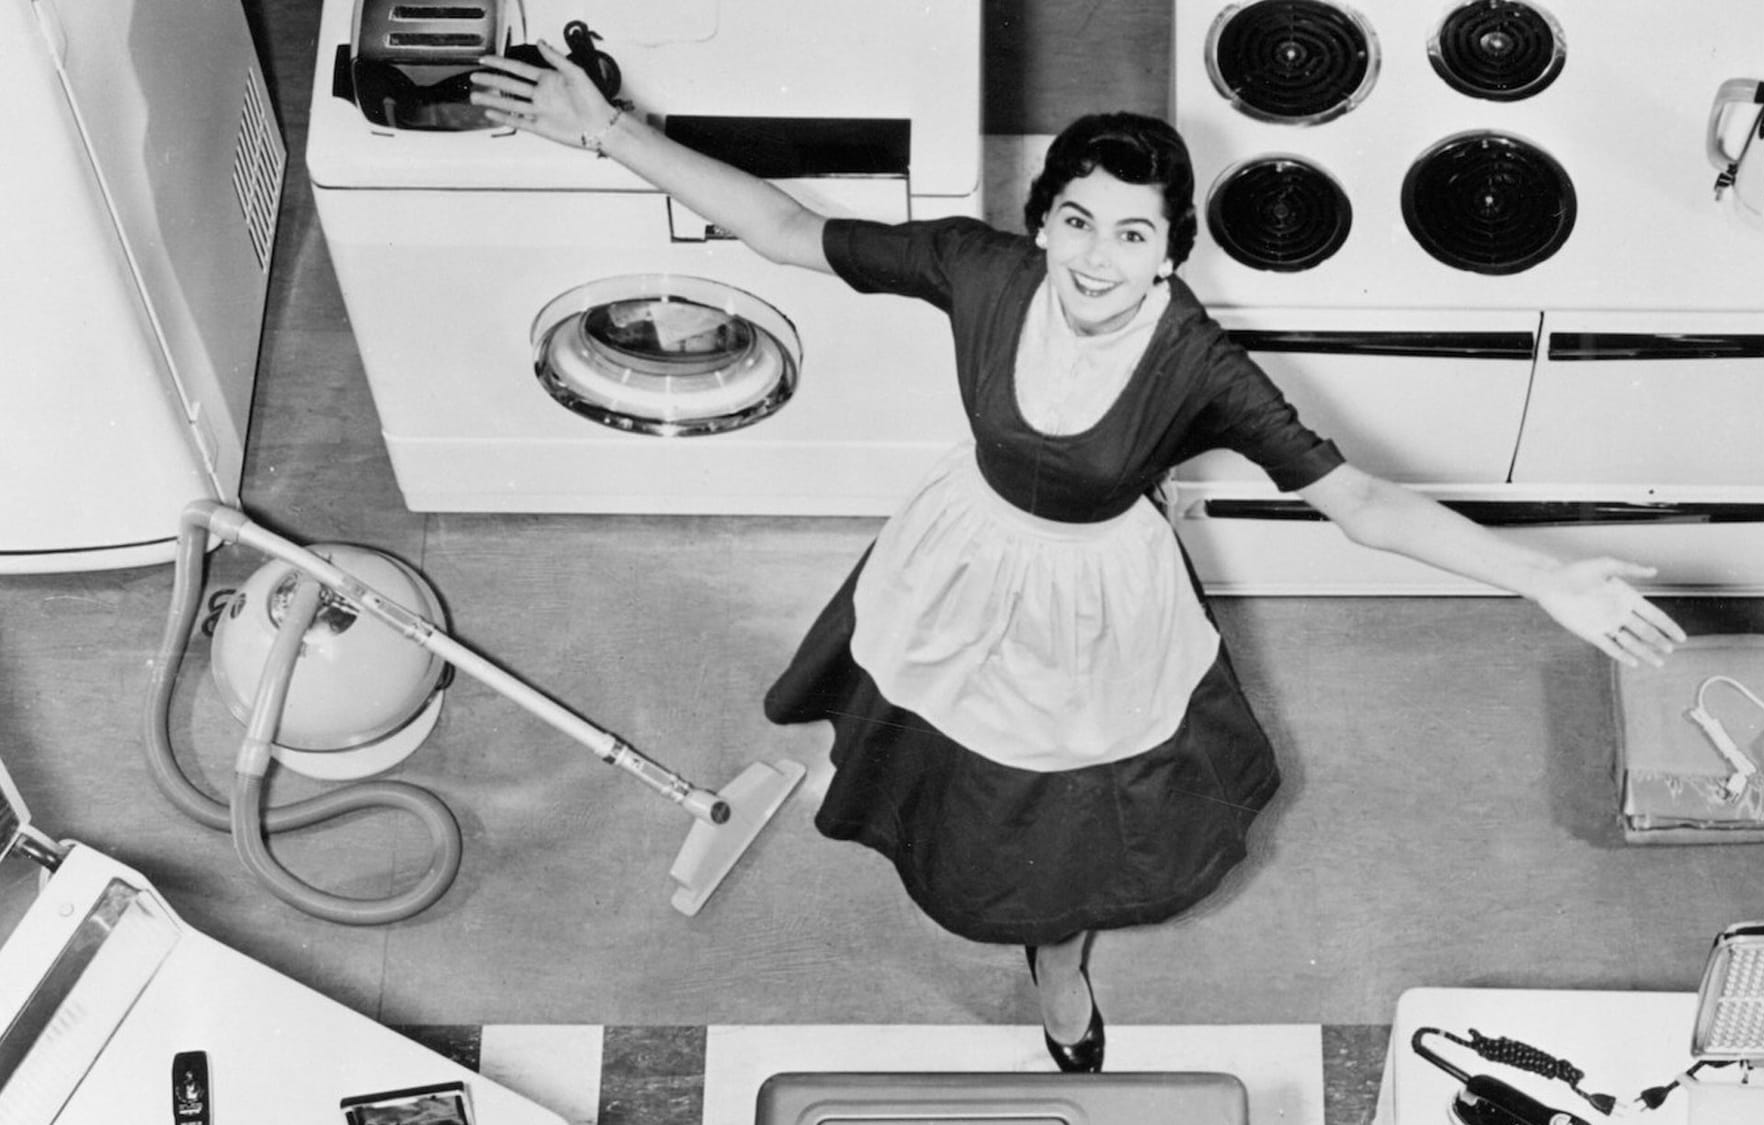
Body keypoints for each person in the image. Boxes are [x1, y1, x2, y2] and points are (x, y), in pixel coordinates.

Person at [472, 46, 1685, 1073]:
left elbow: (1357, 499)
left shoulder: (1196, 362)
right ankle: (1014, 907)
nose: (1096, 260)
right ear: (1040, 220)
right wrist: (607, 132)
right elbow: (788, 230)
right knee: (943, 758)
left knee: (1068, 804)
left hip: (1097, 599)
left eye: (1131, 234)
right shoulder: (980, 272)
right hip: (961, 557)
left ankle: (1057, 960)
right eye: (1075, 221)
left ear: (1171, 252)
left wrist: (1539, 576)